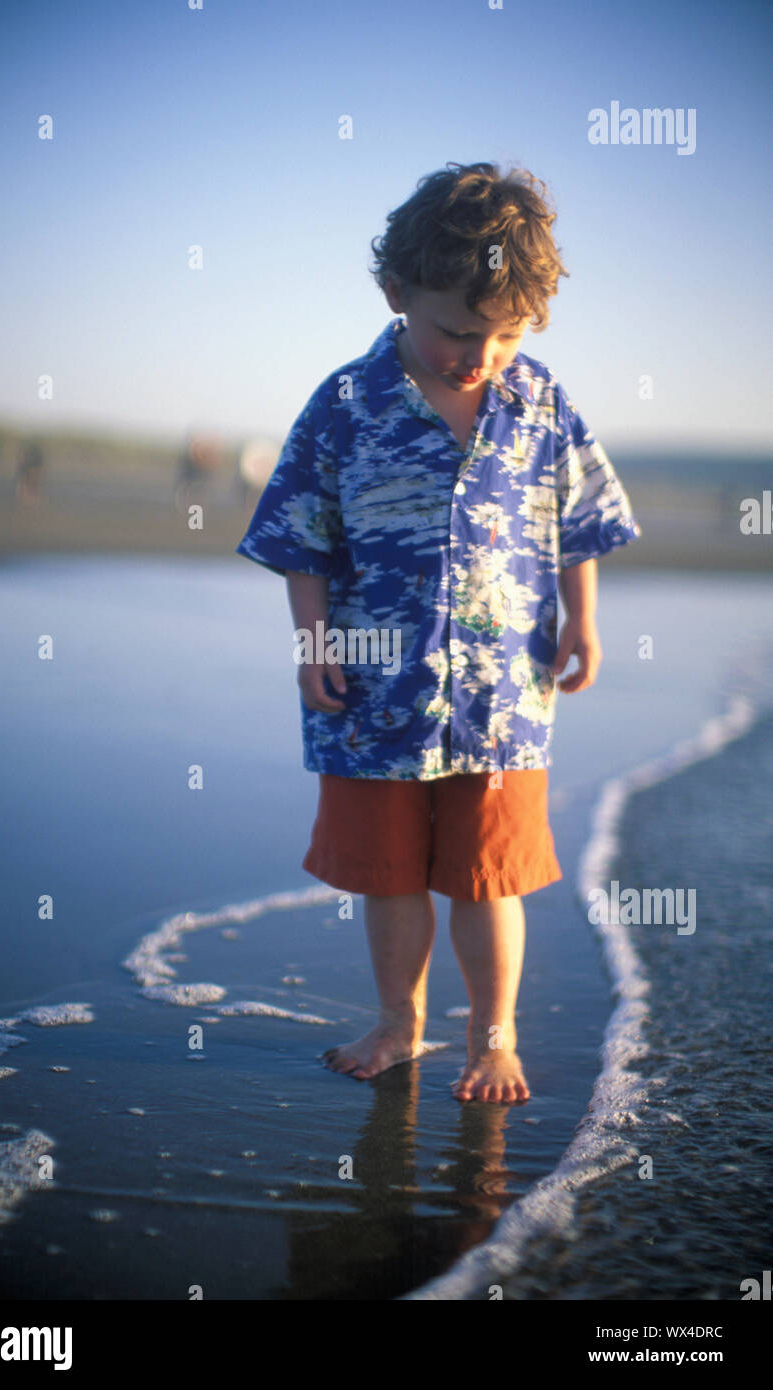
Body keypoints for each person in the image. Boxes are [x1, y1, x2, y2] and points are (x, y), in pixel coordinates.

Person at [235, 162, 641, 1103]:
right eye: (458, 331)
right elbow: (304, 537)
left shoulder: (539, 400)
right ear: (396, 293)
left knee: (489, 877)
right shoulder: (346, 403)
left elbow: (577, 520)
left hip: (502, 698)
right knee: (388, 876)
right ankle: (397, 1024)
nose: (480, 356)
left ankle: (494, 1038)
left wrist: (584, 619)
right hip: (374, 697)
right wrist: (312, 643)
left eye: (505, 336)